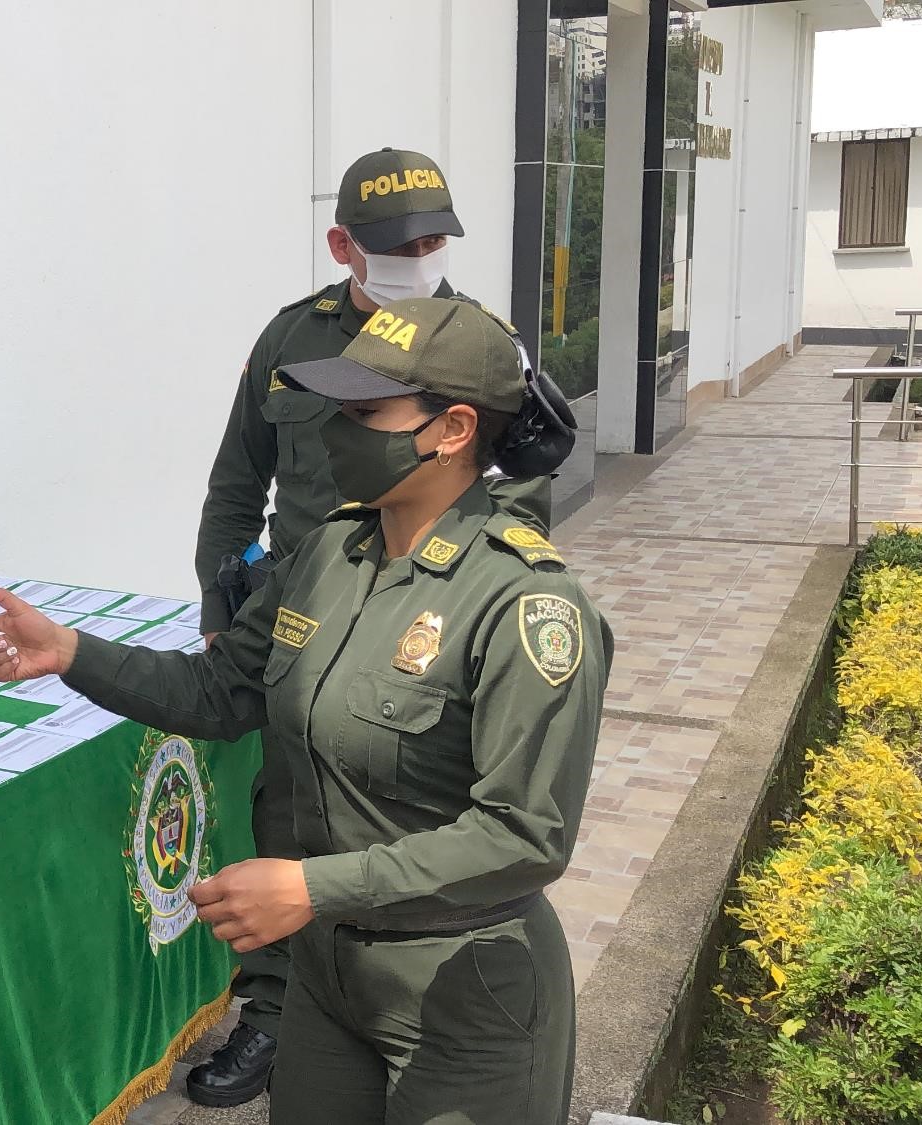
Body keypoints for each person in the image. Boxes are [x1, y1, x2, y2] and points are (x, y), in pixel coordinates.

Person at [0, 297, 608, 1123]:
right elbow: (221, 691)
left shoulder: (525, 602)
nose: (332, 432)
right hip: (330, 977)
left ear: (453, 429)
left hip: (463, 988)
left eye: (364, 412)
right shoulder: (330, 553)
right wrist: (72, 653)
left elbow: (525, 835)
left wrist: (311, 885)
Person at [184, 147, 553, 1108]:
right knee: (289, 812)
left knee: (390, 812)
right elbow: (236, 484)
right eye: (397, 243)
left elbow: (525, 488)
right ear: (344, 244)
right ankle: (276, 1013)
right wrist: (224, 616)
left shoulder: (475, 343)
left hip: (412, 616)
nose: (419, 255)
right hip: (298, 616)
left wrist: (454, 592)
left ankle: (390, 998)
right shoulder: (290, 339)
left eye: (434, 239)